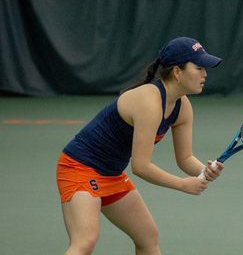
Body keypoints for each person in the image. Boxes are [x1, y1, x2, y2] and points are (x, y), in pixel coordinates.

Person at [56, 37, 224, 254]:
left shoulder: (182, 107)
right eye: (199, 67)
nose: (205, 74)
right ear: (177, 72)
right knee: (85, 241)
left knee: (148, 238)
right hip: (79, 167)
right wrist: (183, 185)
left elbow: (184, 159)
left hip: (111, 173)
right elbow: (141, 167)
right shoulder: (149, 102)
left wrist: (204, 171)